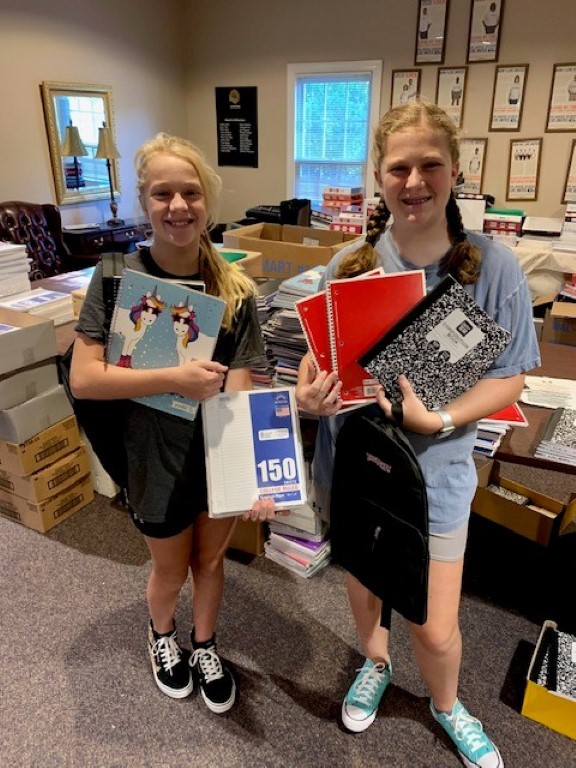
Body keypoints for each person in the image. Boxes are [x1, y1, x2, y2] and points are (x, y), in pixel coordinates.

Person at [296, 101, 539, 768]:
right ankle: (374, 663)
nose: (414, 181)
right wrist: (308, 393)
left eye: (430, 165)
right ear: (379, 176)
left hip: (437, 478)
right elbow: (319, 368)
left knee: (435, 628)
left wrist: (439, 419)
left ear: (454, 170)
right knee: (365, 587)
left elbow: (511, 378)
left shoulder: (493, 268)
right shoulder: (348, 264)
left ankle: (447, 703)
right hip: (352, 466)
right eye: (399, 167)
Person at [70, 132, 282, 714]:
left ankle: (205, 643)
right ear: (145, 200)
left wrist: (253, 476)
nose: (178, 206)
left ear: (208, 200)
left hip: (213, 452)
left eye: (190, 192)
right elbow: (84, 379)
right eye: (163, 193)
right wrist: (175, 378)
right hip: (151, 455)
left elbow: (242, 390)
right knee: (169, 567)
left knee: (210, 562)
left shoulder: (235, 290)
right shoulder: (116, 277)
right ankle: (163, 635)